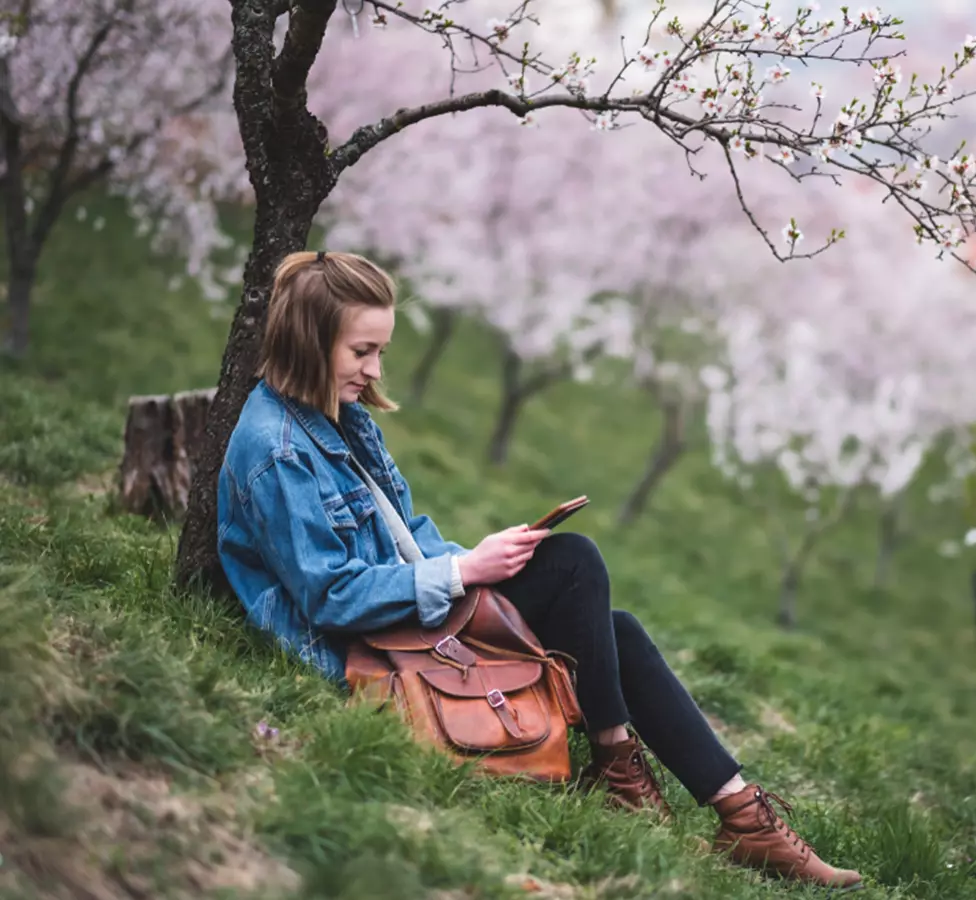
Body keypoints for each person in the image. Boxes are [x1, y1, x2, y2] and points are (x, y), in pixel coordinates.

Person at [216, 250, 862, 891]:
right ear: (309, 339)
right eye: (361, 351)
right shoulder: (276, 451)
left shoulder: (344, 420)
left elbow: (408, 538)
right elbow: (330, 597)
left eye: (381, 351)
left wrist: (481, 563)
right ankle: (621, 771)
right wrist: (467, 572)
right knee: (575, 562)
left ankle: (741, 814)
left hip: (405, 615)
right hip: (364, 646)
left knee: (619, 628)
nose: (375, 368)